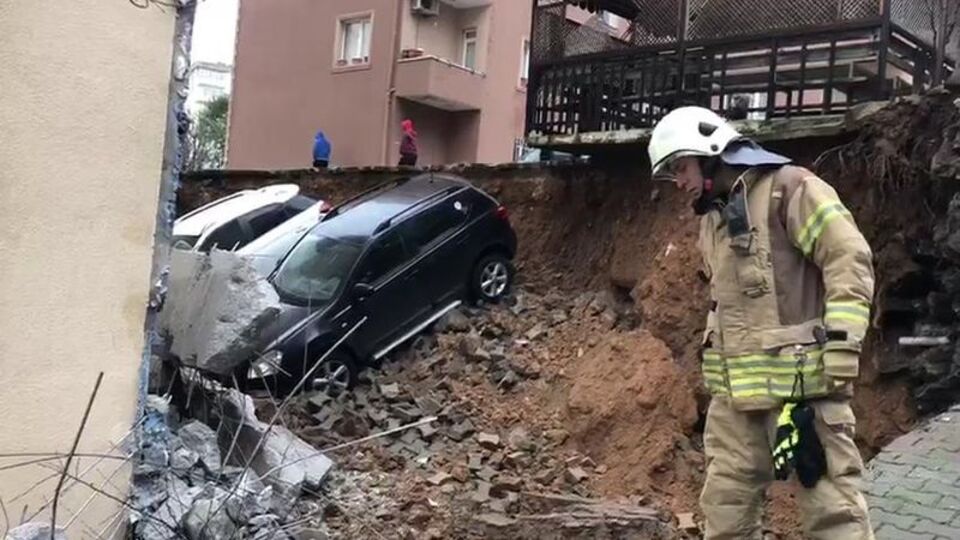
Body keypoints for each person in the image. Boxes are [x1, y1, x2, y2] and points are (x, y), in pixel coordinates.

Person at [648, 106, 875, 540]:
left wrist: (844, 342)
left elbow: (850, 258)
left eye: (681, 166)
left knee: (834, 516)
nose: (678, 182)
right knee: (724, 515)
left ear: (710, 150)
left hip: (803, 395)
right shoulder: (713, 218)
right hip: (736, 404)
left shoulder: (789, 189)